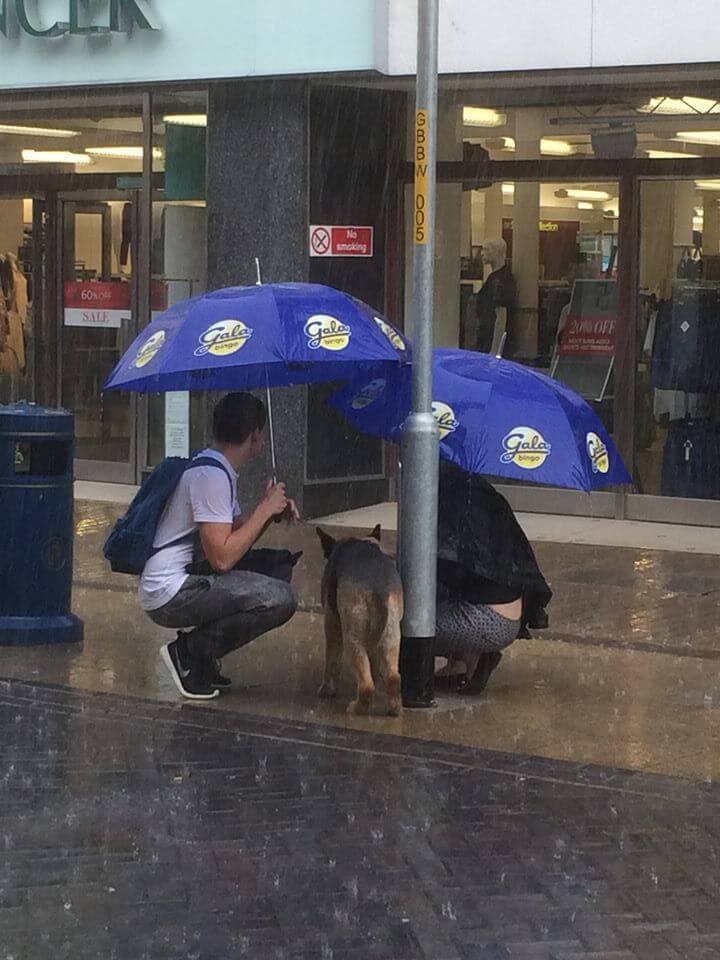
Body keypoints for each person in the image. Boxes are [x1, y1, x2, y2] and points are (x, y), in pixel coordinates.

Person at [140, 392, 300, 700]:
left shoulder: (218, 468)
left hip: (183, 581)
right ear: (254, 434)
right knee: (280, 597)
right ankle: (189, 653)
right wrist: (263, 511)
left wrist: (268, 514)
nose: (263, 440)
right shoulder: (210, 475)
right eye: (261, 433)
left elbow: (234, 537)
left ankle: (201, 659)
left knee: (276, 571)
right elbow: (223, 559)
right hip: (171, 591)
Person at [433, 460, 552, 695]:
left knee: (407, 622)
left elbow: (442, 570)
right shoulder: (481, 494)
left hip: (485, 620)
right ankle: (464, 661)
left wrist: (398, 558)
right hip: (511, 615)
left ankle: (469, 657)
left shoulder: (452, 501)